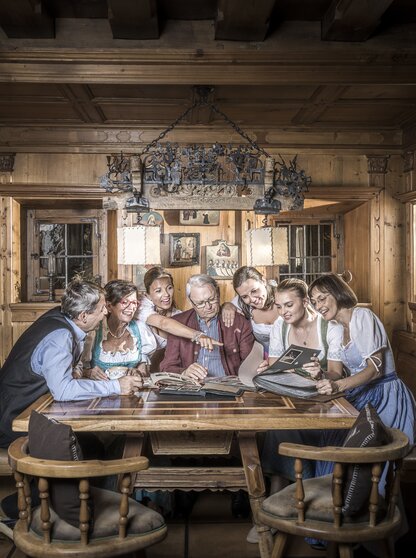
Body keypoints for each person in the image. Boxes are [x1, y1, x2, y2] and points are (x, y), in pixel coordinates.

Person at [246, 278, 344, 544]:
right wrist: (267, 370)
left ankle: (286, 510)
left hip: (325, 401)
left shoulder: (329, 326)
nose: (283, 311)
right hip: (293, 398)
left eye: (289, 305)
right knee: (280, 429)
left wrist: (320, 372)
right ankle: (275, 509)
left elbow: (336, 373)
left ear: (305, 301)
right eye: (278, 306)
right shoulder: (279, 326)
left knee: (290, 432)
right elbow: (278, 367)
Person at [308, 273, 416, 455]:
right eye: (314, 302)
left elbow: (375, 371)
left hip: (385, 395)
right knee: (328, 436)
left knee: (346, 443)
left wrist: (337, 385)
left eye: (322, 299)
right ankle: (328, 481)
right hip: (362, 393)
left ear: (337, 293)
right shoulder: (334, 327)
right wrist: (321, 374)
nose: (318, 306)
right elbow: (336, 372)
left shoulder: (363, 317)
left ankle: (343, 482)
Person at [160, 274, 255, 381]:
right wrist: (184, 372)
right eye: (200, 303)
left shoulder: (239, 323)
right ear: (191, 302)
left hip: (227, 388)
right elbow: (166, 367)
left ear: (218, 293)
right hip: (191, 388)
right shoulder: (178, 324)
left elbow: (249, 364)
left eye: (212, 299)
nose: (208, 306)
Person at [136, 266, 222, 365]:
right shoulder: (141, 308)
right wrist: (198, 335)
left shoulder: (178, 316)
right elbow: (163, 323)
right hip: (139, 365)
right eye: (158, 291)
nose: (166, 295)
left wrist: (227, 306)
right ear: (148, 295)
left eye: (169, 288)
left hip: (165, 369)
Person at [76, 279, 157, 379]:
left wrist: (139, 370)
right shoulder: (94, 331)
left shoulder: (140, 328)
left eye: (134, 302)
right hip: (100, 390)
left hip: (130, 390)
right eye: (125, 302)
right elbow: (76, 370)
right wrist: (88, 373)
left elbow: (143, 367)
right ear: (109, 306)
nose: (131, 308)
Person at [222, 266, 281, 355]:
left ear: (263, 281)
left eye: (254, 291)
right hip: (263, 358)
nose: (252, 299)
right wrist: (227, 305)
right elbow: (227, 307)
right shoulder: (241, 303)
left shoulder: (283, 296)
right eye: (245, 296)